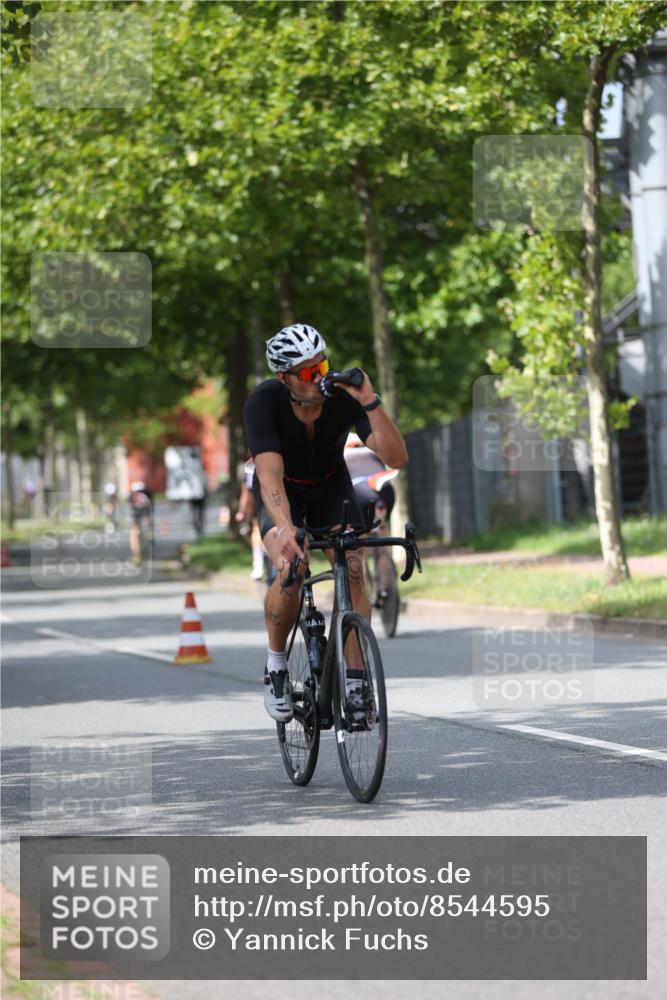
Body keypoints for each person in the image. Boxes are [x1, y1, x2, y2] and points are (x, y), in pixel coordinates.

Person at [243, 322, 408, 723]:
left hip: (331, 488)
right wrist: (285, 528)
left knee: (353, 568)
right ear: (284, 378)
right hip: (284, 491)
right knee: (292, 567)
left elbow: (397, 457)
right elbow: (269, 476)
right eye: (307, 372)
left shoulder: (340, 396)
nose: (319, 377)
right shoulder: (264, 402)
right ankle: (276, 667)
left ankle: (355, 680)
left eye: (323, 365)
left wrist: (369, 401)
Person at [343, 432, 398, 534]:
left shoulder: (343, 454)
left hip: (360, 492)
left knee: (359, 532)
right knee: (381, 527)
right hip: (386, 490)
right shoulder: (375, 452)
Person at [128, 480, 153, 565]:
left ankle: (137, 555)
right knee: (135, 534)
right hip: (137, 516)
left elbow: (147, 513)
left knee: (136, 534)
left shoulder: (144, 497)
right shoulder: (134, 497)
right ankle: (137, 555)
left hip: (142, 514)